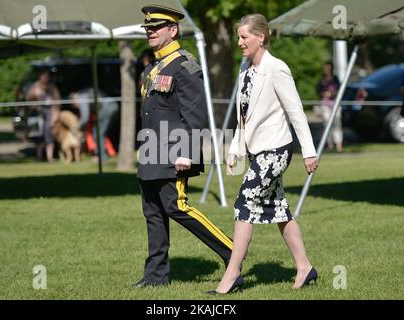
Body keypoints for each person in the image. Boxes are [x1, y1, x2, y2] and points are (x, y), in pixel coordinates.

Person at [205, 14, 319, 294]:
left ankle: (232, 274)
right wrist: (234, 150)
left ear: (261, 37)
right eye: (239, 37)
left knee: (244, 203)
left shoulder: (277, 69)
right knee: (279, 209)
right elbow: (244, 117)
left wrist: (309, 151)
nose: (240, 42)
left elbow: (296, 112)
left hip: (276, 151)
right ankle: (305, 267)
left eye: (244, 37)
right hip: (257, 153)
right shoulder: (245, 70)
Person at [134, 4, 233, 288]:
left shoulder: (185, 65)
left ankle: (232, 252)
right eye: (148, 28)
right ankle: (156, 277)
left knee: (177, 206)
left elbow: (195, 113)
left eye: (156, 28)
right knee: (153, 213)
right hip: (151, 150)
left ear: (173, 30)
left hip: (175, 152)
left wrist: (187, 153)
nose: (150, 32)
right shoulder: (153, 67)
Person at [25, 71, 61, 162]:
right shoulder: (34, 87)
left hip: (50, 113)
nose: (45, 78)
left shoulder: (52, 87)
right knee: (38, 136)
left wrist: (55, 114)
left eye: (47, 76)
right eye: (43, 76)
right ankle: (39, 156)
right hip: (37, 113)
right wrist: (35, 96)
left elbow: (57, 101)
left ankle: (50, 157)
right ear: (40, 77)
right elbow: (27, 99)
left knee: (49, 135)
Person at [316, 62, 343, 152]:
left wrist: (332, 93)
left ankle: (339, 144)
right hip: (325, 105)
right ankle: (329, 144)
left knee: (337, 123)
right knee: (327, 124)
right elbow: (318, 91)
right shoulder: (321, 80)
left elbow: (340, 90)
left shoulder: (335, 79)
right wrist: (324, 93)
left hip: (335, 104)